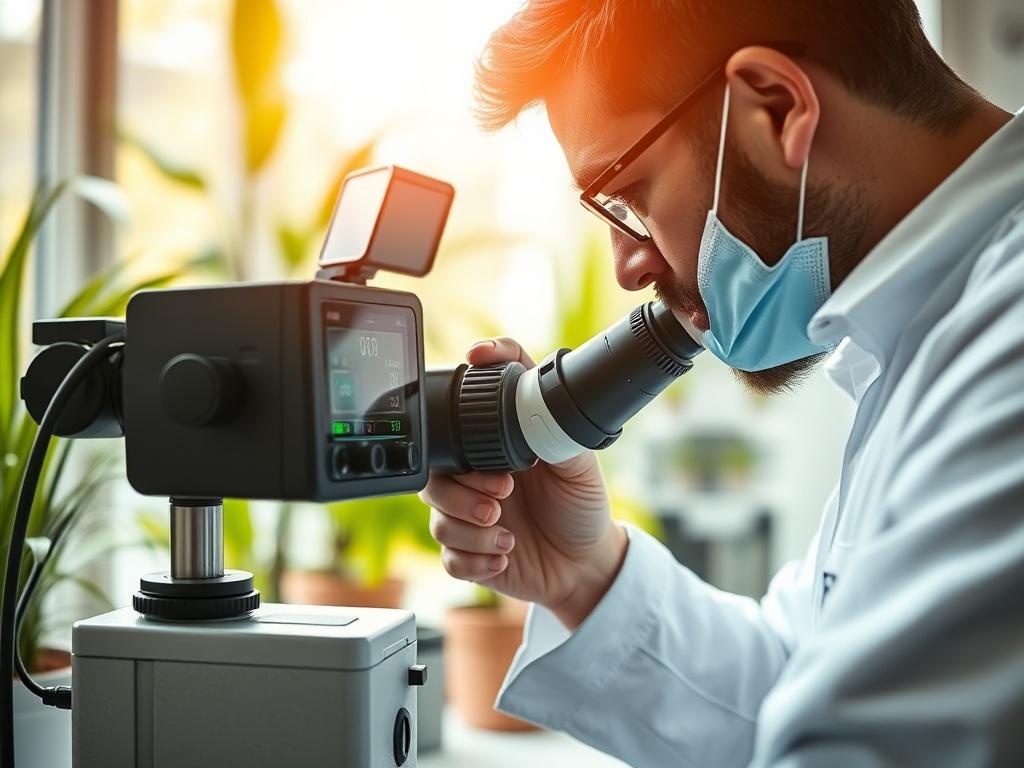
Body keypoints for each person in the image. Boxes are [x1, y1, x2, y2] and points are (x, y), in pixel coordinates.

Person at [420, 1, 1024, 765]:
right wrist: (586, 574)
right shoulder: (924, 331)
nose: (627, 265)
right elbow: (800, 681)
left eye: (630, 193)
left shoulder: (1009, 337)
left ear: (775, 108)